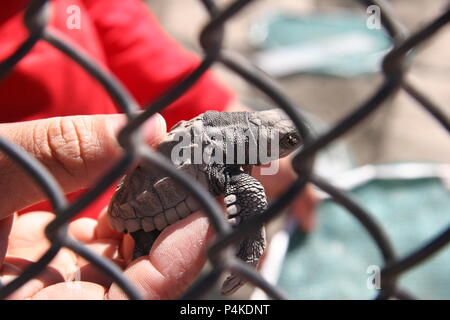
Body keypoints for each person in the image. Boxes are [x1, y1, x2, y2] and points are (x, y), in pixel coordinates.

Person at [0, 0, 316, 299]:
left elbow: (117, 23)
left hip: (110, 193)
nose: (288, 147)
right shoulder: (240, 172)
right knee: (146, 262)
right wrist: (249, 251)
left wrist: (217, 101)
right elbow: (246, 189)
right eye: (287, 143)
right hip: (34, 224)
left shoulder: (227, 132)